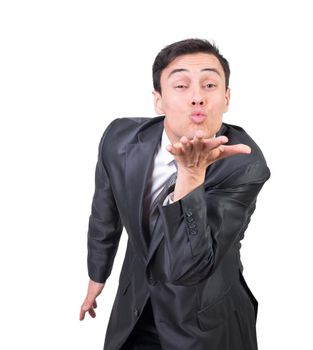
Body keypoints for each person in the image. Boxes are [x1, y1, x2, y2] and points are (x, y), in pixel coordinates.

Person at [79, 38, 270, 350]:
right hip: (136, 311)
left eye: (209, 85)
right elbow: (106, 210)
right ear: (158, 100)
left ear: (227, 97)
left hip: (205, 322)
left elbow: (188, 267)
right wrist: (97, 276)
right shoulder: (120, 138)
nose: (197, 97)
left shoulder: (245, 163)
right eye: (181, 85)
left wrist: (190, 176)